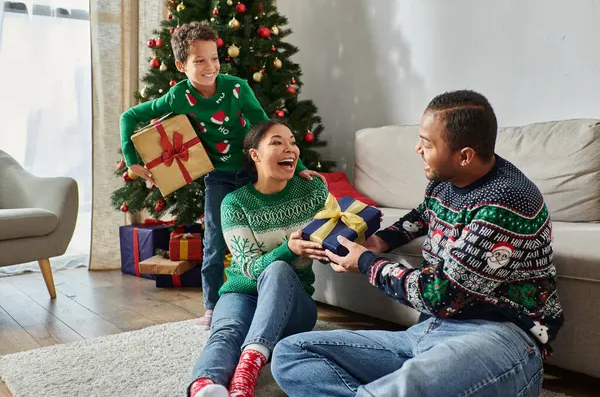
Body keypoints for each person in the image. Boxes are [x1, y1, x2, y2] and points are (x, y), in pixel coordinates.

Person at [272, 90, 565, 397]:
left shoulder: (507, 202)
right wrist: (380, 241)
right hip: (428, 332)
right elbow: (423, 215)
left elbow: (442, 294)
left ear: (464, 155)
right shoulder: (445, 181)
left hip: (499, 336)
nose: (417, 149)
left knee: (407, 386)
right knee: (291, 354)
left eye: (427, 144)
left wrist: (365, 263)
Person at [119, 22, 322, 329]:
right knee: (214, 240)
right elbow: (130, 116)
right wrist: (132, 160)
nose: (210, 66)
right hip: (218, 177)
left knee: (265, 232)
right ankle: (212, 307)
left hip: (253, 170)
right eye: (200, 61)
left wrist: (301, 166)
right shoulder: (178, 97)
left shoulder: (237, 88)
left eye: (214, 58)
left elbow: (267, 130)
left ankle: (267, 295)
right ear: (180, 65)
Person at [188, 119, 330, 397]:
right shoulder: (235, 203)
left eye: (291, 141)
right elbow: (251, 268)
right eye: (277, 142)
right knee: (227, 331)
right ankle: (204, 386)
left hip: (293, 303)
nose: (289, 148)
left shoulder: (312, 190)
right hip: (242, 293)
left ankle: (248, 368)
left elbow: (331, 239)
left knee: (278, 269)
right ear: (255, 155)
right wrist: (290, 249)